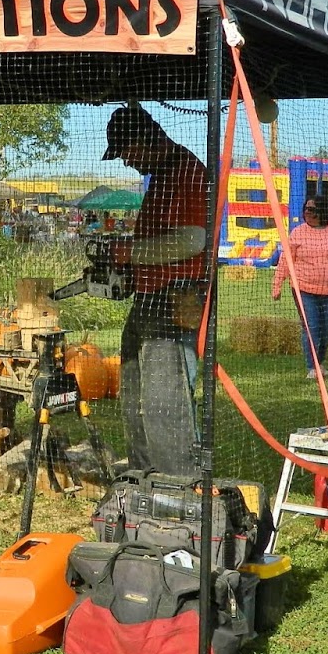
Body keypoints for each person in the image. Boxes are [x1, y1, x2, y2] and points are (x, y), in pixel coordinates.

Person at [102, 104, 210, 472]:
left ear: (143, 141)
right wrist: (132, 267)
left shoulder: (188, 173)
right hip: (151, 298)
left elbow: (192, 241)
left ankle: (178, 481)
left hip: (175, 298)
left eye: (126, 153)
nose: (126, 162)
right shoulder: (161, 176)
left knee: (166, 400)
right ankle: (144, 474)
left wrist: (129, 253)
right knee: (134, 393)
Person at [271, 197, 328, 379]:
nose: (307, 213)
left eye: (312, 210)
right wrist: (277, 284)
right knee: (311, 327)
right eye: (306, 209)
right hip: (304, 289)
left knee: (325, 329)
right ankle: (312, 367)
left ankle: (319, 361)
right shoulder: (298, 233)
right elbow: (285, 260)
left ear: (323, 212)